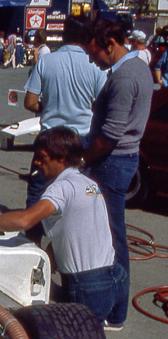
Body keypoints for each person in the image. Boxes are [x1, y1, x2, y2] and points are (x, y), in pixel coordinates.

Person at [0, 127, 127, 327]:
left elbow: (26, 220)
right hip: (113, 276)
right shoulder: (88, 184)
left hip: (88, 286)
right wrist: (52, 253)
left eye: (42, 157)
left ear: (61, 158)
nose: (36, 163)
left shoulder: (61, 187)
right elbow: (78, 228)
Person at [83, 18, 154, 329]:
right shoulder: (137, 67)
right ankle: (110, 305)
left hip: (112, 162)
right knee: (110, 235)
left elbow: (111, 134)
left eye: (94, 52)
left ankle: (115, 311)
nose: (91, 59)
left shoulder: (125, 76)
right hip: (119, 160)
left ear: (110, 45)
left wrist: (81, 159)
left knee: (112, 238)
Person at [24, 17, 107, 206]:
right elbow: (103, 104)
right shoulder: (95, 65)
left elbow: (29, 102)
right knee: (79, 194)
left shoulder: (45, 62)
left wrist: (48, 107)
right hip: (82, 138)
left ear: (63, 35)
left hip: (51, 137)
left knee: (39, 191)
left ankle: (33, 231)